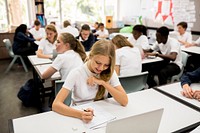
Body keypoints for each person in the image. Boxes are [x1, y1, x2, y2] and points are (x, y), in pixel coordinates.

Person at [52, 40, 128, 122]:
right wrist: (80, 114)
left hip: (102, 114)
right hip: (78, 113)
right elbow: (56, 105)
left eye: (106, 65)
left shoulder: (109, 72)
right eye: (98, 62)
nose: (101, 68)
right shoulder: (76, 73)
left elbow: (124, 101)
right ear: (91, 56)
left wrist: (103, 83)